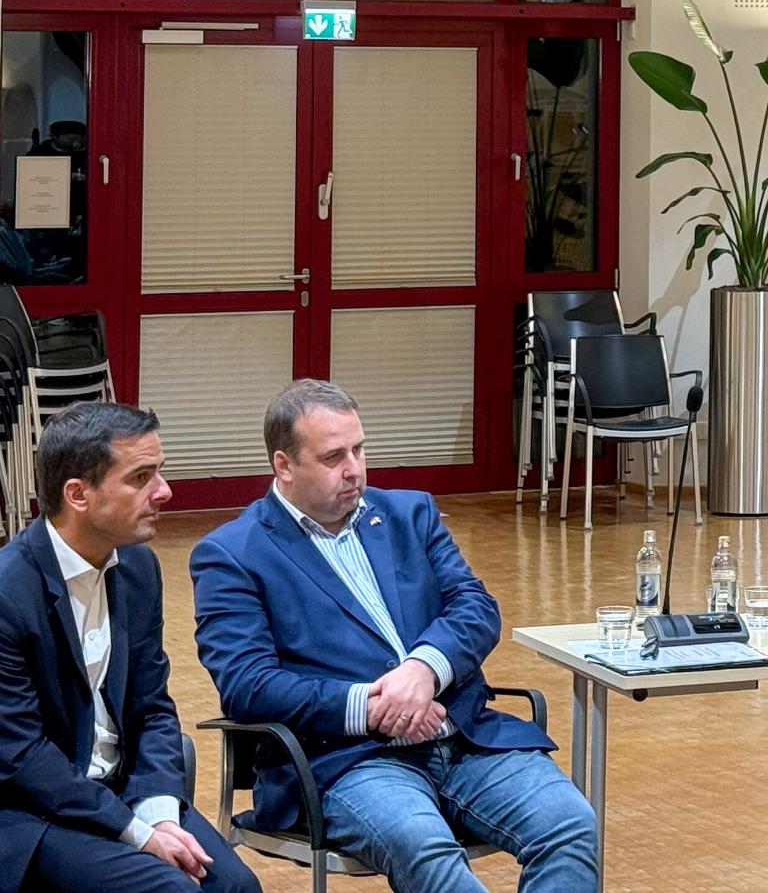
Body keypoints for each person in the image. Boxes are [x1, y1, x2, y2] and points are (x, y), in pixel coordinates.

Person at [189, 379, 597, 892]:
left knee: (571, 826)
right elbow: (248, 685)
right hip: (347, 760)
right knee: (425, 848)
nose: (354, 469)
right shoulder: (232, 554)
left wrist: (423, 671)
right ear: (284, 466)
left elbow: (475, 607)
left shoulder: (410, 514)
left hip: (464, 738)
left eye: (359, 449)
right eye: (333, 457)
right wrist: (374, 704)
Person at [0, 402, 261, 893]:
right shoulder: (7, 594)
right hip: (34, 813)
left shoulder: (139, 570)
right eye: (141, 477)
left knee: (237, 887)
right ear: (78, 494)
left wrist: (160, 813)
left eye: (158, 472)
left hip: (125, 793)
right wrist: (137, 835)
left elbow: (153, 707)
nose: (164, 491)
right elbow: (21, 757)